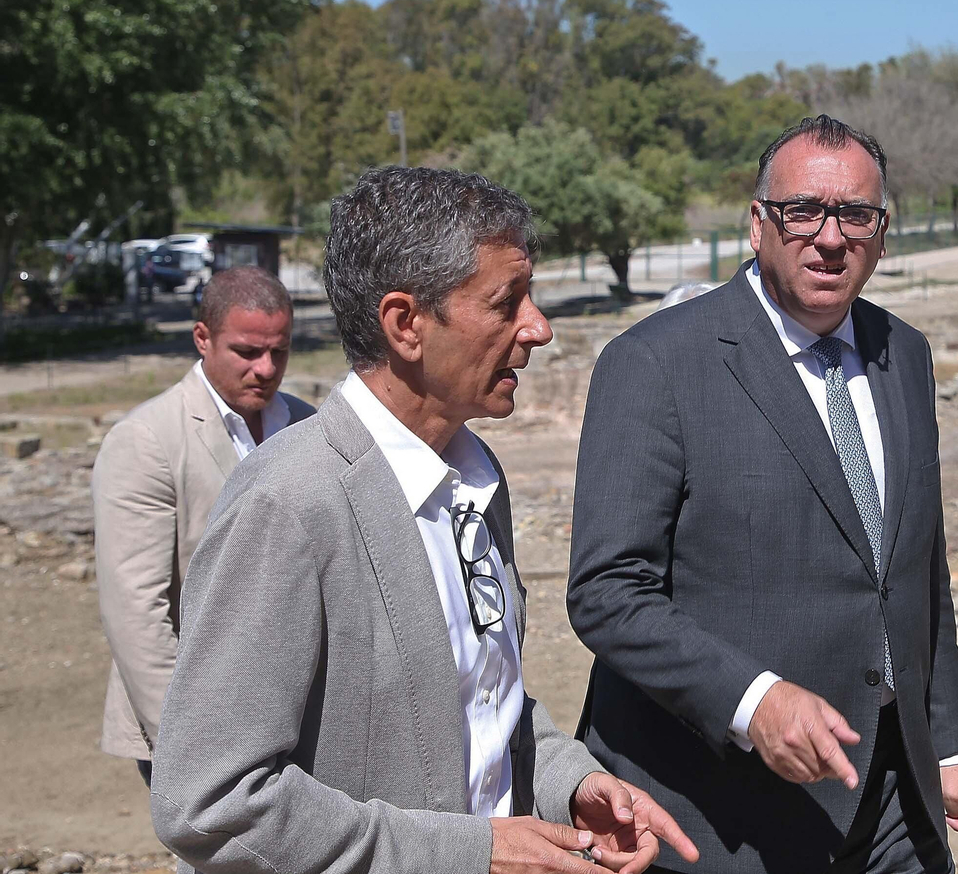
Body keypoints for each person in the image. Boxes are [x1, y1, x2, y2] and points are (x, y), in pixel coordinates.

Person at [149, 167, 698, 874]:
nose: (539, 327)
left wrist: (570, 782)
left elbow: (476, 700)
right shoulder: (289, 501)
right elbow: (209, 803)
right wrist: (469, 852)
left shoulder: (476, 479)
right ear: (406, 323)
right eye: (506, 302)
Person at [568, 115, 958, 874]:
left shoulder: (905, 353)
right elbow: (607, 591)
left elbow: (916, 570)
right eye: (804, 210)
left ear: (884, 231)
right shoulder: (656, 364)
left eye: (855, 215)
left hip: (894, 803)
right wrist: (753, 699)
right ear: (759, 221)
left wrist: (951, 741)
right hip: (721, 819)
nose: (830, 237)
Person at [93, 265, 314, 786]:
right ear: (202, 339)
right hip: (192, 715)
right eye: (246, 351)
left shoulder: (308, 425)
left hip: (295, 710)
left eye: (278, 352)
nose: (264, 368)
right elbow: (136, 610)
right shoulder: (147, 440)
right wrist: (186, 743)